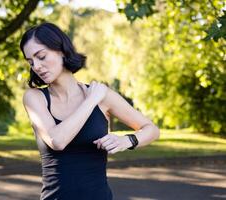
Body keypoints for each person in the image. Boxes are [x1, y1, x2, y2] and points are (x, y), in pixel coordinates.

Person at [20, 22, 160, 200]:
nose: (36, 66)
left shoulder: (103, 95)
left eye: (41, 56)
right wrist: (91, 100)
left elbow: (151, 129)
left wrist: (127, 140)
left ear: (62, 50)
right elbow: (57, 140)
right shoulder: (35, 98)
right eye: (30, 62)